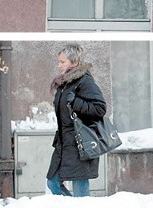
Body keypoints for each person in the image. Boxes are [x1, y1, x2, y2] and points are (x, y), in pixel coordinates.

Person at [46, 43, 107, 197]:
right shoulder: (64, 83)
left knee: (80, 188)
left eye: (62, 62)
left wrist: (76, 102)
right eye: (59, 61)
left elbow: (99, 108)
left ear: (74, 63)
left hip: (80, 143)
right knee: (52, 182)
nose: (59, 65)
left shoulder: (84, 81)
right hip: (64, 143)